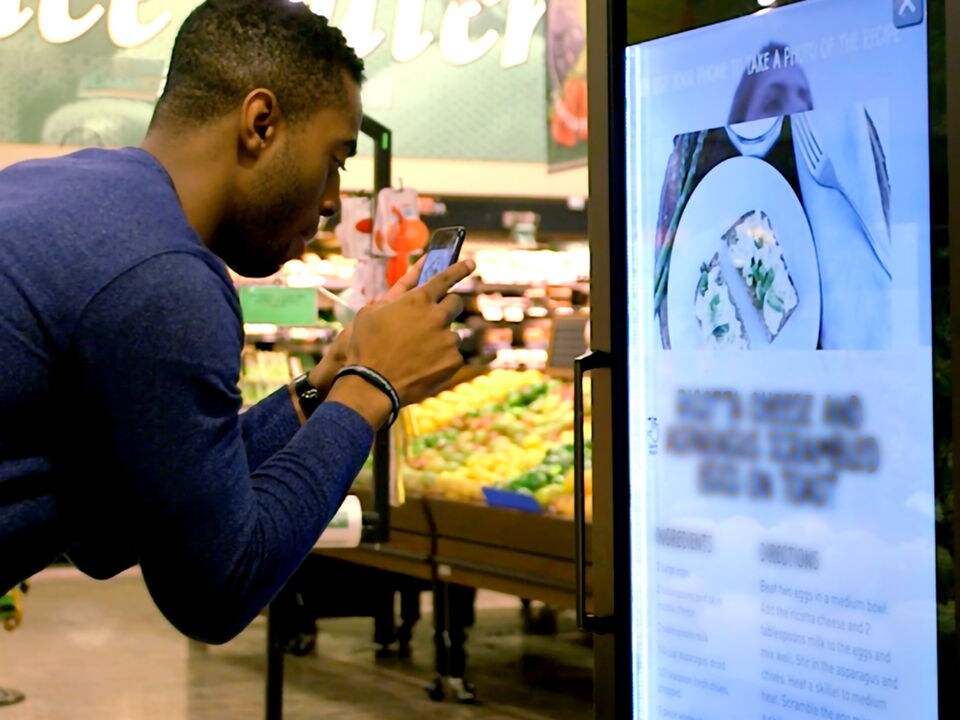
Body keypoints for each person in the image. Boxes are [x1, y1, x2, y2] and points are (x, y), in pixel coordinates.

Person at [0, 0, 473, 645]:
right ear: (260, 123)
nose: (332, 200)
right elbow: (214, 591)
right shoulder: (163, 274)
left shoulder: (58, 191)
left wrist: (324, 385)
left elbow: (112, 533)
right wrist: (371, 390)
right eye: (335, 159)